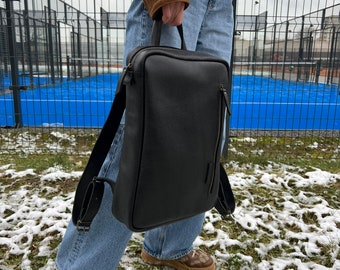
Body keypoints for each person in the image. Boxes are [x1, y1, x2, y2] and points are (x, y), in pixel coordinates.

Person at [56, 0, 234, 269]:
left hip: (221, 6)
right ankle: (81, 264)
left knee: (204, 132)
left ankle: (168, 246)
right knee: (137, 139)